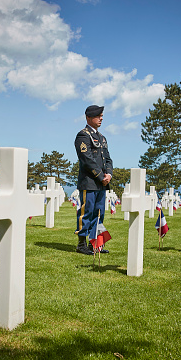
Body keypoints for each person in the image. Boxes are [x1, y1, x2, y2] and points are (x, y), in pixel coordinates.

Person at [74, 105, 113, 255]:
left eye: (102, 115)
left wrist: (109, 174)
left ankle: (95, 243)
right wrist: (100, 175)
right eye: (98, 116)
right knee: (87, 212)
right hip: (89, 182)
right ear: (88, 118)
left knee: (99, 213)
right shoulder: (83, 136)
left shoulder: (102, 138)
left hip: (101, 183)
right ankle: (82, 244)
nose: (101, 118)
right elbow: (86, 159)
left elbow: (108, 159)